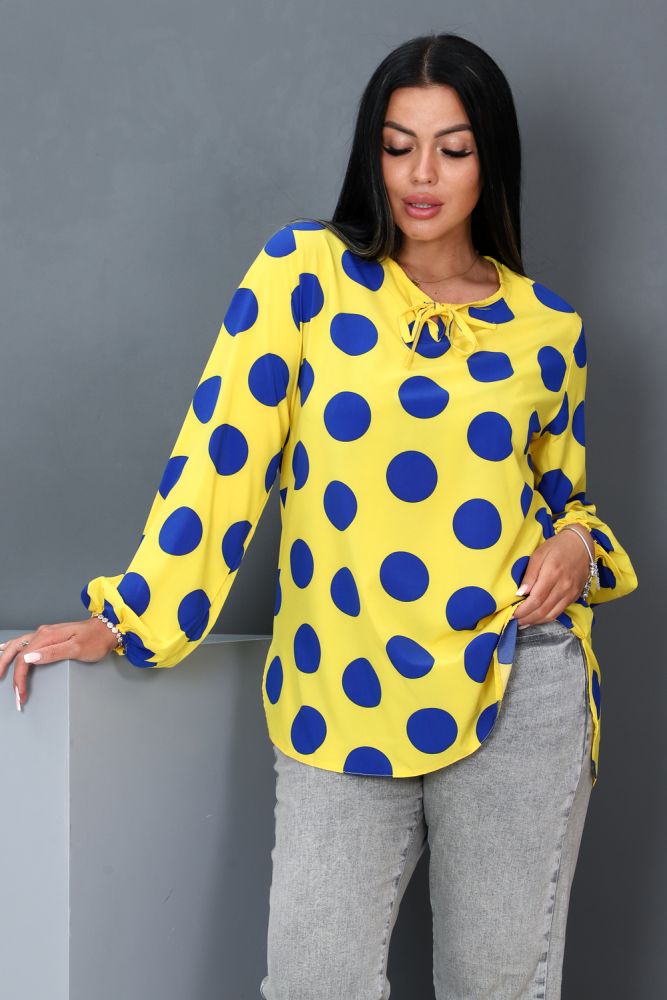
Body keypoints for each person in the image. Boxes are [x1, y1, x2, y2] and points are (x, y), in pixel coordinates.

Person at [1, 31, 639, 1000]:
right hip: (339, 682)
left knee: (497, 988)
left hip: (516, 684)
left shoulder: (548, 330)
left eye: (452, 148)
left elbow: (568, 498)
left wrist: (577, 544)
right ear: (369, 152)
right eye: (397, 145)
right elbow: (223, 456)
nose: (420, 174)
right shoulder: (303, 273)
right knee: (313, 980)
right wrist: (130, 616)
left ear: (491, 159)